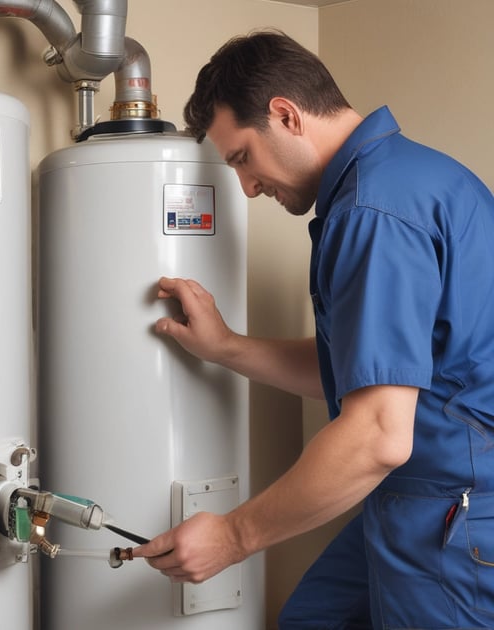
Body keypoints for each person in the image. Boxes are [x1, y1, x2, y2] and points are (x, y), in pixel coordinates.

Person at [133, 30, 494, 629]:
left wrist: (232, 536)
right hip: (413, 495)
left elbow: (379, 434)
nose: (247, 187)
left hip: (450, 514)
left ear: (286, 115)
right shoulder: (410, 178)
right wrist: (225, 347)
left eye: (243, 157)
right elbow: (370, 373)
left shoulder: (372, 213)